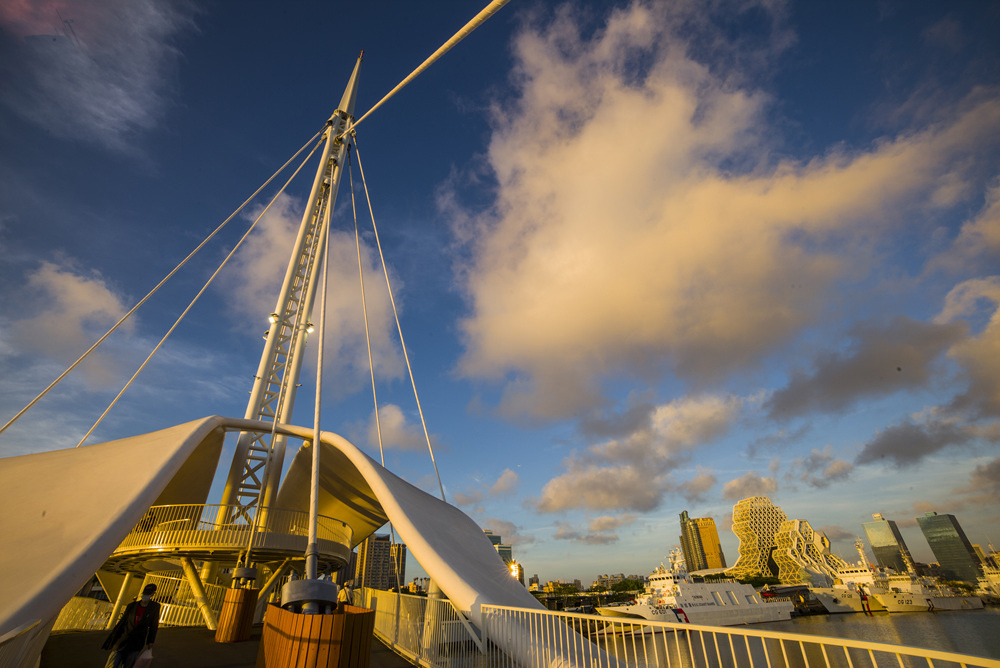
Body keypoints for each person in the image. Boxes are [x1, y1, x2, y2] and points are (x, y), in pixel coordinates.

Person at [102, 583, 160, 668]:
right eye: (144, 594)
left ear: (152, 594)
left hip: (136, 642)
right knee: (112, 664)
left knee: (128, 665)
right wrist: (113, 637)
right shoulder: (131, 606)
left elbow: (153, 626)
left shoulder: (154, 607)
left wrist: (150, 641)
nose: (145, 596)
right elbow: (122, 622)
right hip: (122, 640)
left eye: (148, 594)